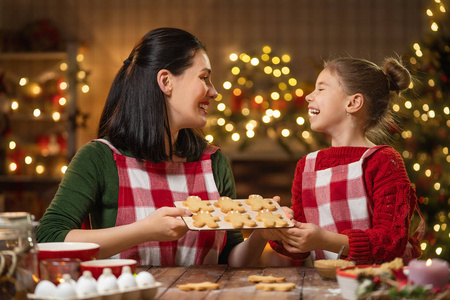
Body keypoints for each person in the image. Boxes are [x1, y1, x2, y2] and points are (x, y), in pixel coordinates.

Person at [36, 27, 271, 267]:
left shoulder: (213, 162)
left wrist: (263, 233)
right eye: (203, 78)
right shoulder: (99, 158)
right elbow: (48, 238)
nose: (214, 92)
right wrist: (144, 231)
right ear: (166, 81)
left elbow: (231, 260)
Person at [268, 56, 425, 265]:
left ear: (353, 103)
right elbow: (299, 250)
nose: (308, 96)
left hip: (377, 287)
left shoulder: (383, 161)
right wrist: (278, 226)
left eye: (321, 89)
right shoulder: (306, 166)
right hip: (327, 288)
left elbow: (390, 243)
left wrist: (323, 240)